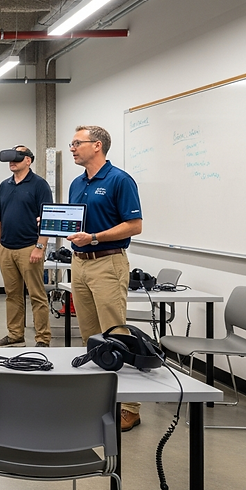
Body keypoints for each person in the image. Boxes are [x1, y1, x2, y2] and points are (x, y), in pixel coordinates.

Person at [66, 125, 144, 431]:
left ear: (97, 145)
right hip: (80, 263)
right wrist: (53, 223)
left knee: (115, 333)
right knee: (90, 335)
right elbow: (78, 222)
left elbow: (134, 225)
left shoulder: (119, 180)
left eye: (77, 143)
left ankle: (130, 406)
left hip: (107, 262)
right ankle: (97, 398)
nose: (72, 148)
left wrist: (95, 237)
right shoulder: (77, 183)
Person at [0, 146, 54, 348]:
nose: (12, 162)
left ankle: (42, 338)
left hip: (29, 247)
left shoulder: (39, 185)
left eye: (17, 158)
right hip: (6, 249)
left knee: (37, 295)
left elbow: (48, 219)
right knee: (12, 295)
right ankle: (15, 334)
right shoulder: (4, 185)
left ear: (28, 160)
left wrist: (40, 247)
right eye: (10, 159)